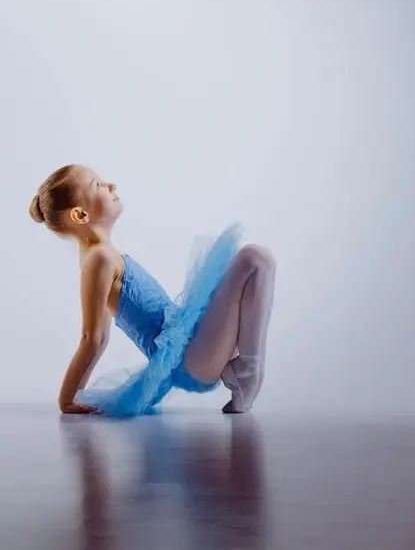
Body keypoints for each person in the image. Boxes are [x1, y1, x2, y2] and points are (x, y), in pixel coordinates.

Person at [29, 164, 276, 416]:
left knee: (256, 260)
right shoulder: (99, 259)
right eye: (98, 185)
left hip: (193, 342)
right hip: (187, 358)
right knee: (255, 259)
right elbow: (91, 338)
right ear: (80, 215)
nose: (111, 185)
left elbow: (100, 339)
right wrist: (68, 399)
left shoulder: (104, 256)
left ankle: (242, 371)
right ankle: (246, 374)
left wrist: (78, 396)